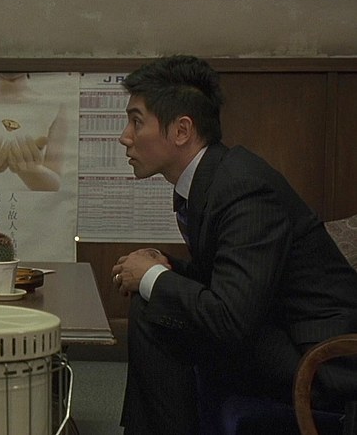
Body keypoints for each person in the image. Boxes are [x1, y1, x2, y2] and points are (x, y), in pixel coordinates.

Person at [111, 55, 357, 435]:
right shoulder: (213, 179)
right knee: (153, 302)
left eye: (137, 121)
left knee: (155, 303)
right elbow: (229, 281)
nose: (125, 136)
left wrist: (154, 278)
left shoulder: (244, 187)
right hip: (273, 331)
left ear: (182, 130)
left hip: (319, 362)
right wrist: (166, 266)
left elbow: (230, 317)